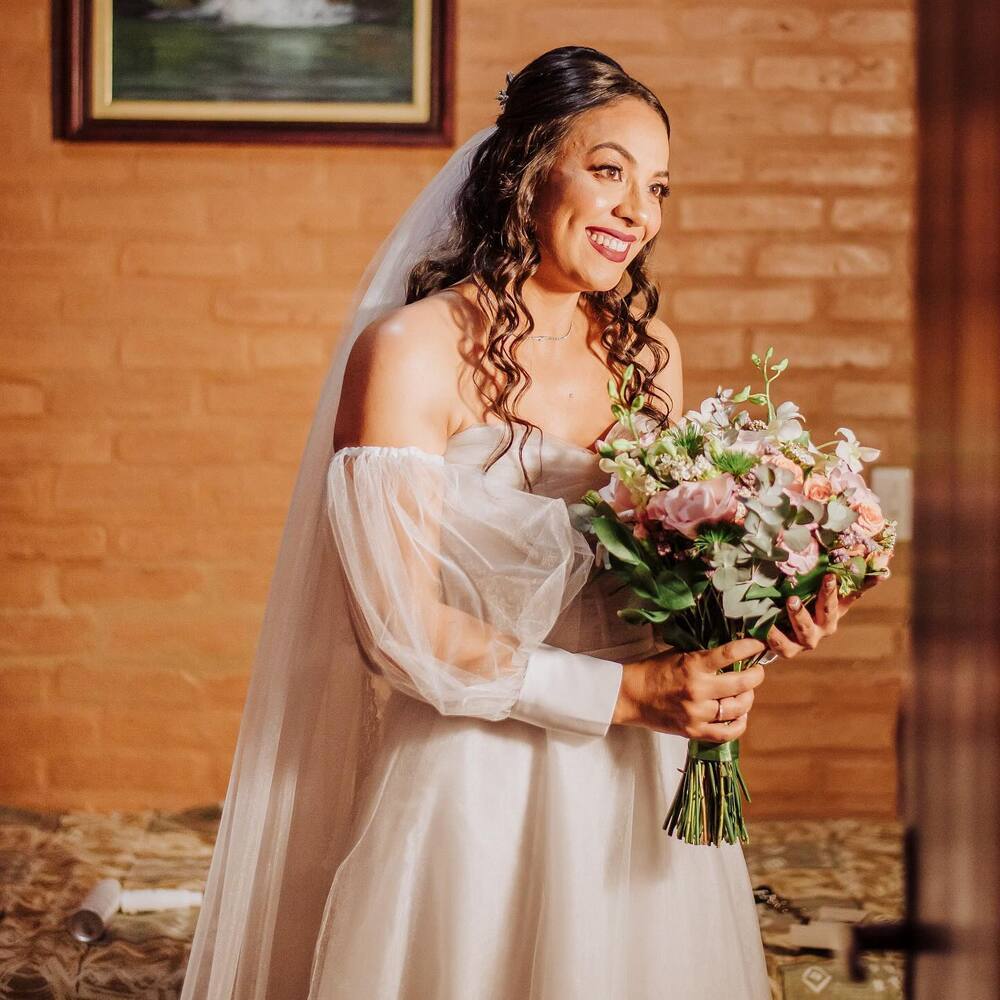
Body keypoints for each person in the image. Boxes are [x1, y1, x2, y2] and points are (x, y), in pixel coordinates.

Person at [180, 46, 862, 1000]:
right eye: (610, 170)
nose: (638, 211)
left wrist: (758, 620)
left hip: (642, 780)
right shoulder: (411, 352)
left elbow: (669, 573)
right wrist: (627, 697)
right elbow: (398, 629)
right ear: (526, 169)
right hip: (476, 776)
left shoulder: (650, 354)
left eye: (658, 186)